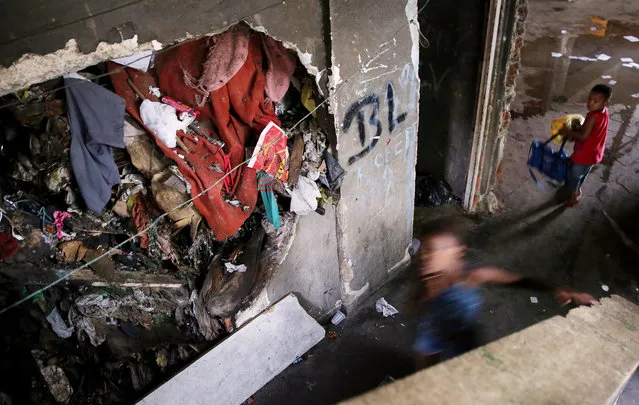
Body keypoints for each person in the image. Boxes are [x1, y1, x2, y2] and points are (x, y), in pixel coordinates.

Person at [412, 217, 598, 370]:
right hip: (435, 334)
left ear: (457, 252)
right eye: (424, 250)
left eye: (433, 250)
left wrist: (561, 289)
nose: (424, 257)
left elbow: (517, 280)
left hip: (464, 339)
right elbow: (424, 324)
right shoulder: (430, 282)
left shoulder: (471, 277)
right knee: (427, 367)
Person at [560, 84, 611, 207]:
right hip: (595, 151)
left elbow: (583, 137)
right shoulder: (604, 112)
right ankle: (578, 187)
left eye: (595, 101)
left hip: (584, 153)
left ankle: (574, 196)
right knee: (584, 171)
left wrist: (568, 132)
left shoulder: (593, 117)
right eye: (589, 99)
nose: (590, 103)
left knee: (574, 174)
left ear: (605, 102)